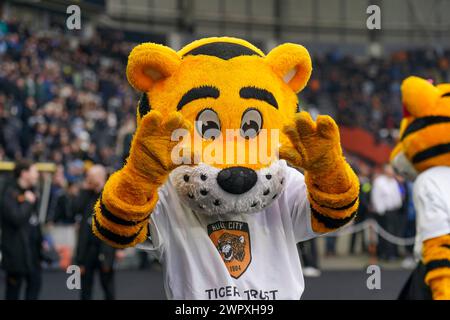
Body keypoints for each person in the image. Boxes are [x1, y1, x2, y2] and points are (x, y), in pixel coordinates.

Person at [1, 159, 43, 300]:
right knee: (13, 291)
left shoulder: (33, 192)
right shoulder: (8, 192)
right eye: (34, 171)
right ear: (24, 173)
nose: (37, 175)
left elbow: (34, 221)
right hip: (15, 253)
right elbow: (16, 218)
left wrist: (40, 239)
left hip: (32, 252)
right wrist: (27, 202)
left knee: (35, 285)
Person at [73, 164, 116, 300]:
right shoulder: (86, 194)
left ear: (99, 177)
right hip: (87, 249)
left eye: (91, 177)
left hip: (105, 247)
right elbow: (73, 210)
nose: (88, 179)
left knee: (108, 287)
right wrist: (85, 190)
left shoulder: (110, 194)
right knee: (85, 288)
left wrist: (118, 249)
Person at [371, 164, 403, 260]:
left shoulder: (393, 181)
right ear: (385, 171)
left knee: (393, 233)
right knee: (385, 234)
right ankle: (384, 254)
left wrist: (398, 205)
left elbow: (397, 195)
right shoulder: (379, 182)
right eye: (390, 170)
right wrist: (380, 211)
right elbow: (376, 197)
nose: (392, 172)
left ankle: (393, 253)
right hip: (383, 212)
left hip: (394, 211)